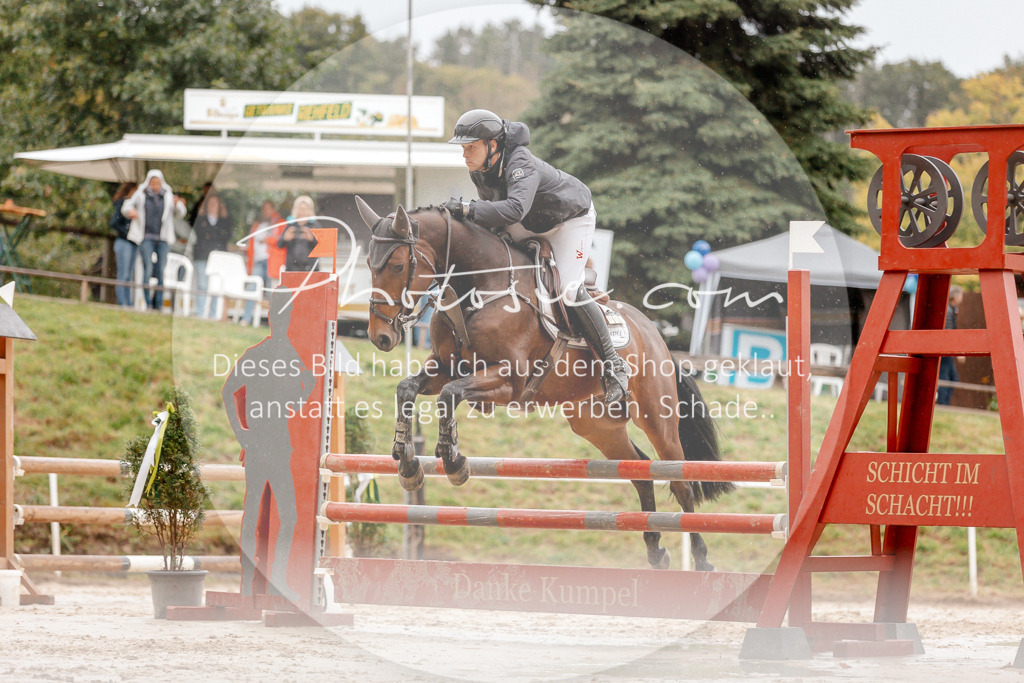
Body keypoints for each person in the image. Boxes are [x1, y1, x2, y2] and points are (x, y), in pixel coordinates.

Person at [443, 109, 629, 405]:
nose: (465, 155)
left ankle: (614, 365)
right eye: (463, 149)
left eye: (470, 147)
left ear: (493, 145)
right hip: (531, 219)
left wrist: (467, 209)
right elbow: (495, 214)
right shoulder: (480, 166)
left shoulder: (519, 161)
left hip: (569, 221)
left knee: (568, 290)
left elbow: (513, 209)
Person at [121, 169, 186, 311]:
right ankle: (148, 303)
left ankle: (158, 304)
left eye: (158, 183)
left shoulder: (168, 195)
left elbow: (180, 213)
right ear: (149, 182)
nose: (156, 186)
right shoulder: (141, 194)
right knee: (148, 270)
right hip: (146, 237)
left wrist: (178, 204)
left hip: (163, 238)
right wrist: (131, 212)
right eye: (153, 183)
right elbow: (126, 206)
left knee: (161, 270)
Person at [243, 200, 286, 324]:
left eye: (269, 208)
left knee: (270, 292)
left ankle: (273, 323)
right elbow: (252, 243)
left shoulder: (280, 223)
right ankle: (246, 319)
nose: (266, 211)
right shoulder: (257, 224)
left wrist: (268, 240)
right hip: (258, 261)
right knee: (252, 288)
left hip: (271, 261)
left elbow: (281, 241)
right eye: (264, 208)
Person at [191, 193, 234, 318]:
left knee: (216, 288)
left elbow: (226, 236)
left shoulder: (224, 221)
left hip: (219, 258)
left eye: (215, 203)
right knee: (202, 286)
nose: (213, 206)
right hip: (202, 256)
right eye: (210, 203)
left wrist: (211, 236)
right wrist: (214, 236)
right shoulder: (200, 220)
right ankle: (200, 313)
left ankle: (214, 315)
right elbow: (199, 235)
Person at [109, 182, 138, 307]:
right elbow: (114, 222)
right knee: (123, 274)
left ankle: (129, 303)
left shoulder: (136, 205)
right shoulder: (121, 203)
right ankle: (123, 303)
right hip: (123, 242)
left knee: (129, 275)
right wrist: (128, 232)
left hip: (133, 243)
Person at [277, 195, 320, 273]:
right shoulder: (291, 224)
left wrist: (312, 239)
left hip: (311, 269)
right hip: (292, 269)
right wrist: (285, 238)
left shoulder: (314, 225)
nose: (303, 211)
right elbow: (279, 244)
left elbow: (322, 247)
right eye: (300, 208)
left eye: (305, 209)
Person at [937, 285, 964, 406]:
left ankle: (944, 404)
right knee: (946, 379)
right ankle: (943, 405)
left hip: (947, 350)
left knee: (952, 379)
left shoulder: (951, 309)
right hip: (945, 350)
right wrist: (957, 351)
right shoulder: (948, 310)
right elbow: (948, 333)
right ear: (956, 296)